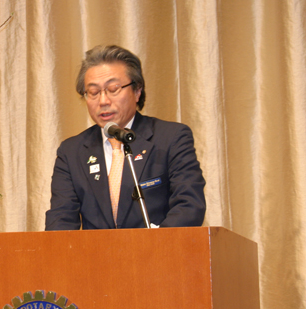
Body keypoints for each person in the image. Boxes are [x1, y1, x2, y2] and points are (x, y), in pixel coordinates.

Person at [45, 45, 206, 230]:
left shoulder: (171, 138)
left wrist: (156, 245)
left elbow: (189, 206)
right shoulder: (72, 152)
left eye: (113, 89)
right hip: (96, 250)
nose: (103, 101)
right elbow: (60, 220)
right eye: (94, 92)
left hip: (159, 248)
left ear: (137, 91)